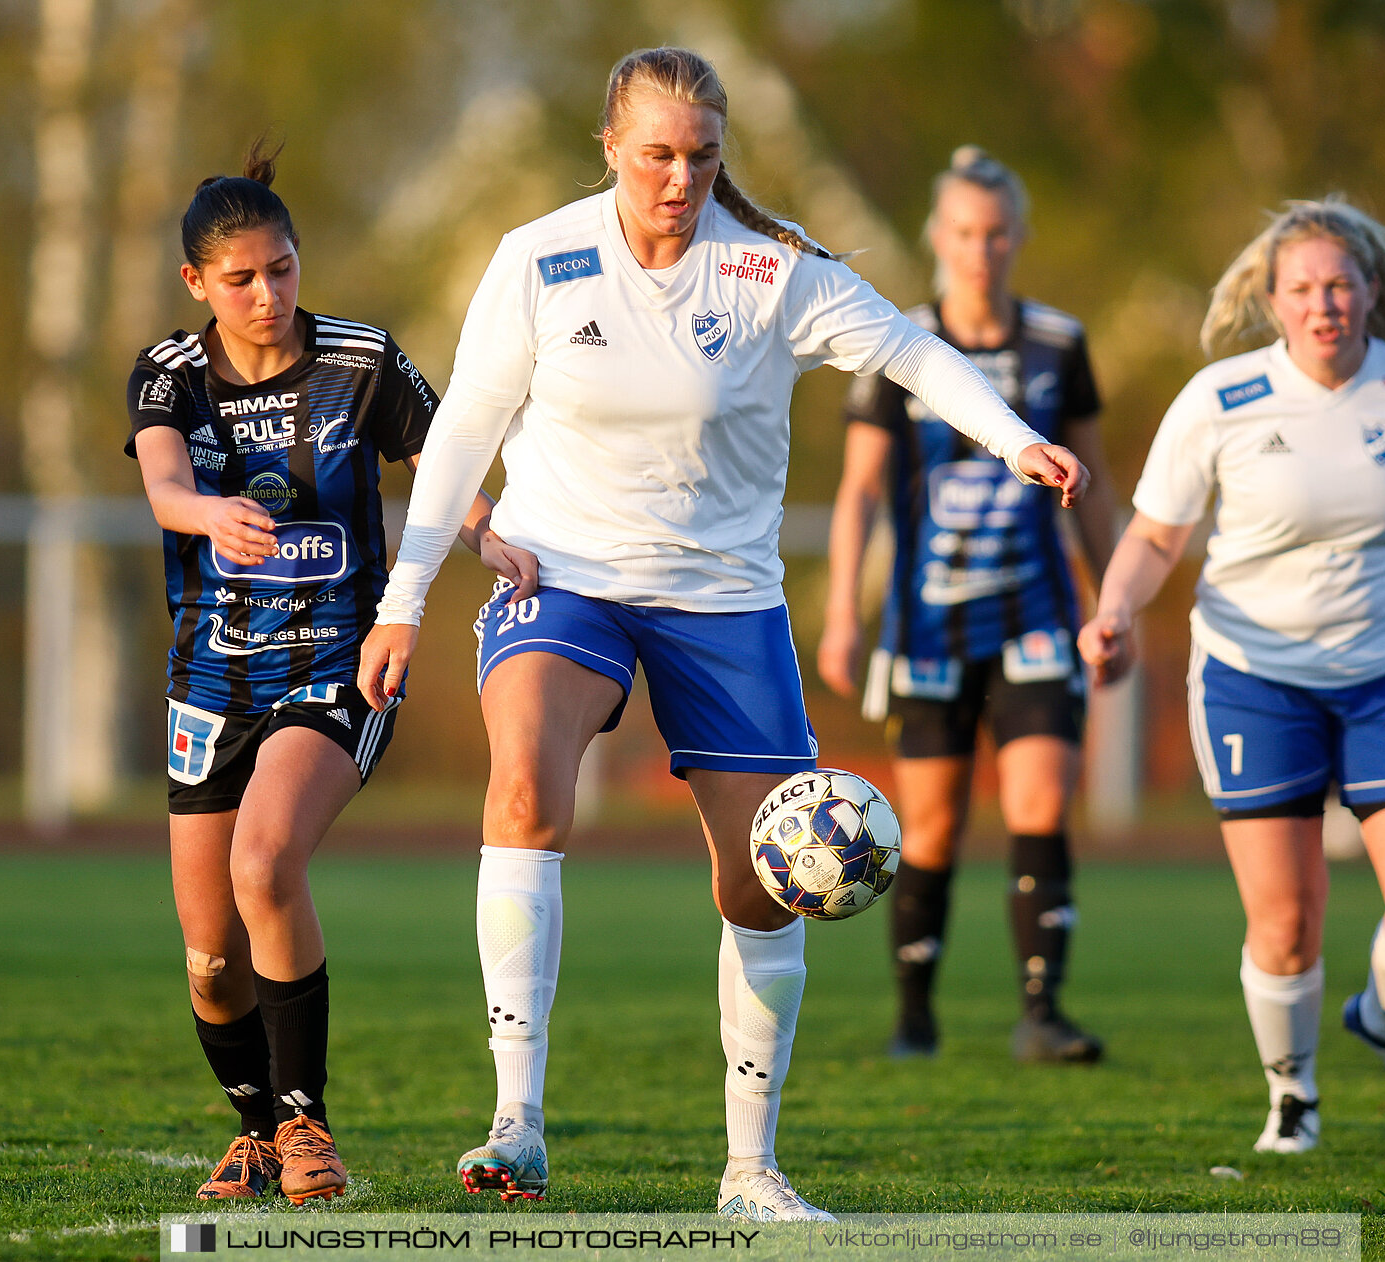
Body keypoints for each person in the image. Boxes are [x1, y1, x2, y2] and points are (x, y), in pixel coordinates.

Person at [357, 48, 1088, 1221]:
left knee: (765, 882)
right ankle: (518, 1117)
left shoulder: (775, 268)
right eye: (655, 154)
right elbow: (461, 434)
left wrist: (1012, 438)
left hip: (726, 596)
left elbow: (908, 347)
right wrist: (403, 602)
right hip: (565, 573)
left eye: (701, 156)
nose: (678, 178)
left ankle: (750, 1170)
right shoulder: (538, 257)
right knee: (526, 782)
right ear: (610, 147)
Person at [1077, 197, 1385, 1155]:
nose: (1322, 304)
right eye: (1301, 289)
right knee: (1286, 925)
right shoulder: (1220, 400)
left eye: (1339, 284)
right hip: (1255, 678)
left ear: (1372, 290)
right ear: (1271, 302)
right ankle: (1293, 1095)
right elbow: (1158, 533)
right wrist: (1114, 611)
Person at [125, 140, 527, 1202]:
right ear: (198, 284)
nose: (268, 294)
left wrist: (492, 535)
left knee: (265, 862)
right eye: (243, 278)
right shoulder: (168, 374)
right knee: (211, 954)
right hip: (210, 683)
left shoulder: (360, 358)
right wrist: (208, 509)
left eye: (284, 269)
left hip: (338, 670)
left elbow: (444, 471)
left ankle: (307, 1130)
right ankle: (254, 1131)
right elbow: (165, 480)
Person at [818, 147, 1115, 1065]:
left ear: (1017, 238)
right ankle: (915, 1016)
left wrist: (1117, 601)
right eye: (962, 234)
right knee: (933, 822)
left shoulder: (1059, 344)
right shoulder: (898, 343)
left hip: (1036, 614)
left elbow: (1096, 489)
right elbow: (860, 491)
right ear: (937, 241)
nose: (979, 251)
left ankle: (1041, 1010)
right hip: (927, 622)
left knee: (1039, 800)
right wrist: (841, 613)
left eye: (995, 234)